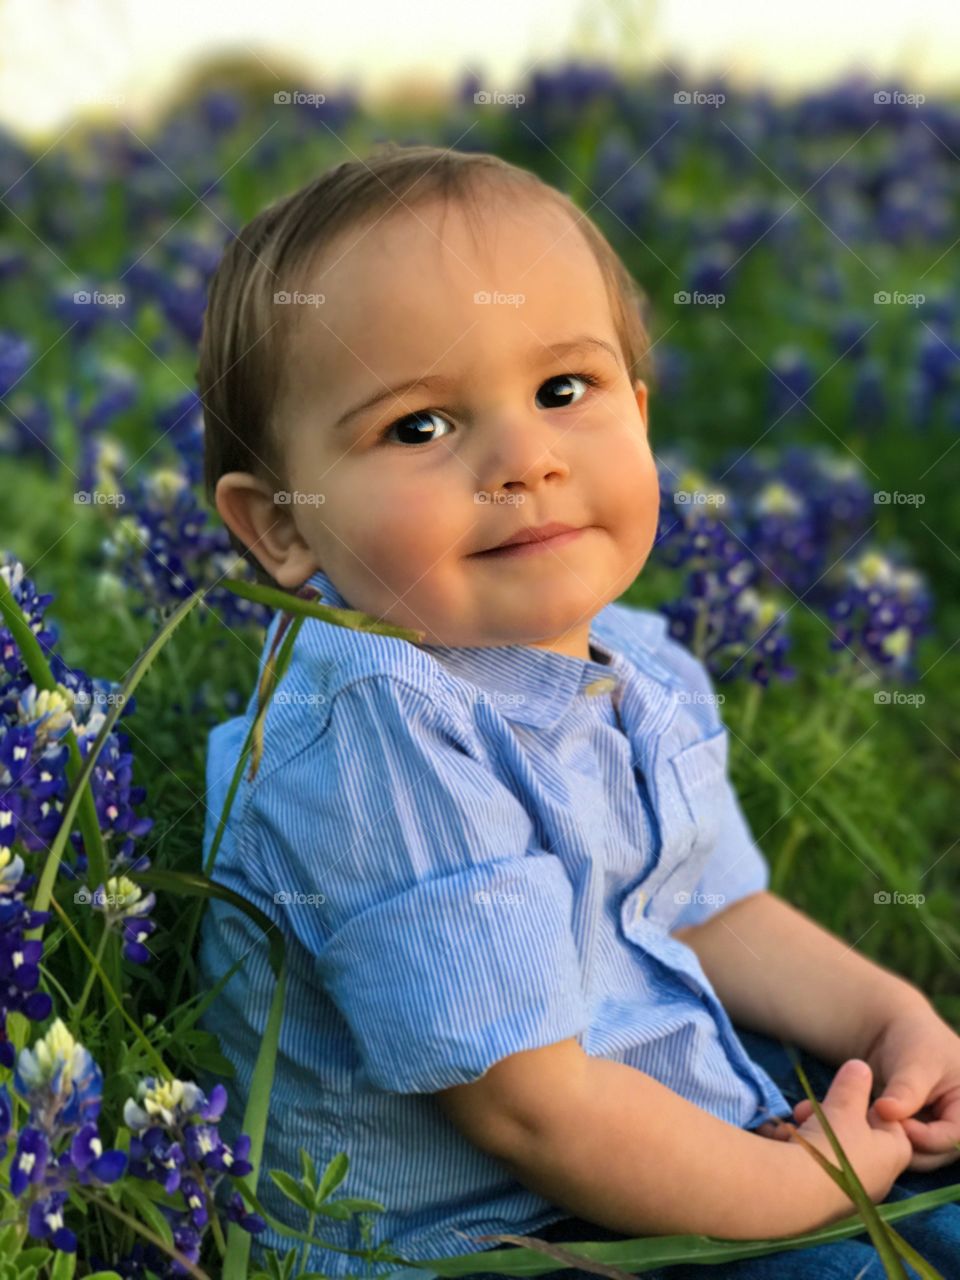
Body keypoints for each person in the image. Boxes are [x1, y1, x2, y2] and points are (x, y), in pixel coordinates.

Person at [194, 142, 960, 1278]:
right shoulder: (379, 728)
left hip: (654, 1144)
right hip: (492, 1235)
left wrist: (895, 1020)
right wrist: (803, 1186)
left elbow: (707, 905)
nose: (526, 458)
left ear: (639, 412)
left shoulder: (634, 657)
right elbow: (530, 1112)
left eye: (564, 390)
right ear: (284, 528)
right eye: (420, 426)